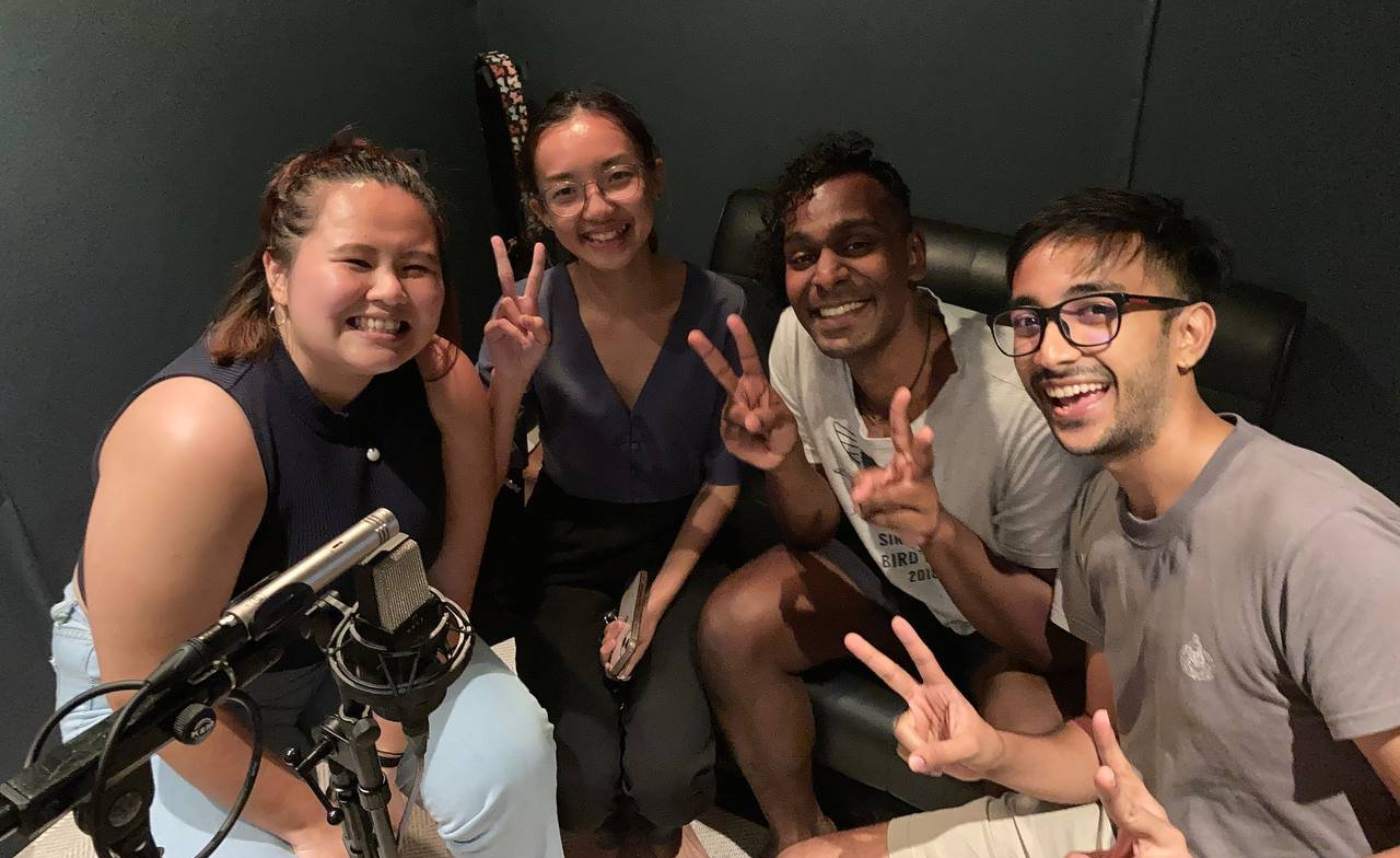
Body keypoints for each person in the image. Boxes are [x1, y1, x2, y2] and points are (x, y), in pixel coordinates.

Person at [783, 188, 1400, 857]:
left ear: (1188, 334)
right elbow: (1109, 749)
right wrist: (990, 751)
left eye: (1093, 312)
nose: (1049, 353)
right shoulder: (1101, 508)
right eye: (1030, 321)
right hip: (1130, 828)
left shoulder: (1323, 538)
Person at [49, 135, 563, 857]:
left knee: (511, 753)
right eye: (357, 261)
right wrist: (306, 824)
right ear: (278, 273)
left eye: (416, 266)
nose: (390, 291)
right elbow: (143, 689)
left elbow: (456, 561)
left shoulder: (438, 378)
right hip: (174, 692)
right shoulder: (195, 432)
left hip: (346, 634)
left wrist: (390, 736)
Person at [686, 133, 1096, 854]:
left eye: (856, 245)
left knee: (1042, 770)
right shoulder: (799, 342)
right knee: (730, 627)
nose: (826, 276)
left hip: (998, 621)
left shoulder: (1015, 399)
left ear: (911, 255)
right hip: (883, 579)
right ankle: (799, 839)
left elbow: (1050, 641)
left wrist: (938, 532)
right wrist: (784, 462)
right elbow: (813, 527)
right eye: (802, 256)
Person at [478, 88, 745, 858]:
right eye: (566, 192)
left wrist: (655, 604)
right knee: (579, 789)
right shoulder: (528, 311)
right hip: (566, 552)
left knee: (667, 783)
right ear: (541, 210)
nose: (597, 209)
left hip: (685, 547)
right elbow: (484, 477)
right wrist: (510, 380)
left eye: (617, 177)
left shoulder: (723, 304)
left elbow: (726, 477)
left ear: (653, 176)